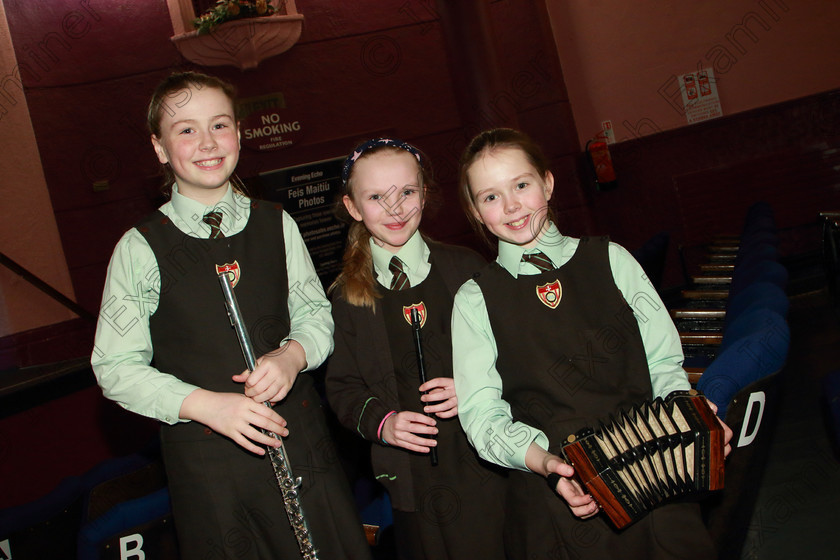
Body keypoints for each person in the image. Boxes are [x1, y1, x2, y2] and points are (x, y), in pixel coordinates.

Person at [91, 71, 371, 560]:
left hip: (304, 447)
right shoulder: (139, 248)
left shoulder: (275, 222)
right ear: (159, 147)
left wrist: (293, 355)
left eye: (219, 125)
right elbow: (114, 368)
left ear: (239, 134)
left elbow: (314, 312)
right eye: (185, 130)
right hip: (212, 471)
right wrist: (206, 405)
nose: (207, 142)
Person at [451, 128, 733, 560]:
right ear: (475, 210)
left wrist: (690, 418)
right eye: (490, 197)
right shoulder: (474, 299)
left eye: (521, 185)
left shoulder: (612, 259)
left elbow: (663, 365)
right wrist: (546, 464)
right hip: (561, 491)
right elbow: (482, 415)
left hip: (654, 474)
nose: (510, 207)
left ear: (547, 183)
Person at [324, 138, 508, 560]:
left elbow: (515, 351)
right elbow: (343, 389)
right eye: (375, 197)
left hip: (487, 462)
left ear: (424, 193)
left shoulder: (468, 268)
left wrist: (477, 386)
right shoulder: (346, 297)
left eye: (406, 192)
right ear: (353, 207)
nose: (395, 209)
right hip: (411, 482)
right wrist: (383, 422)